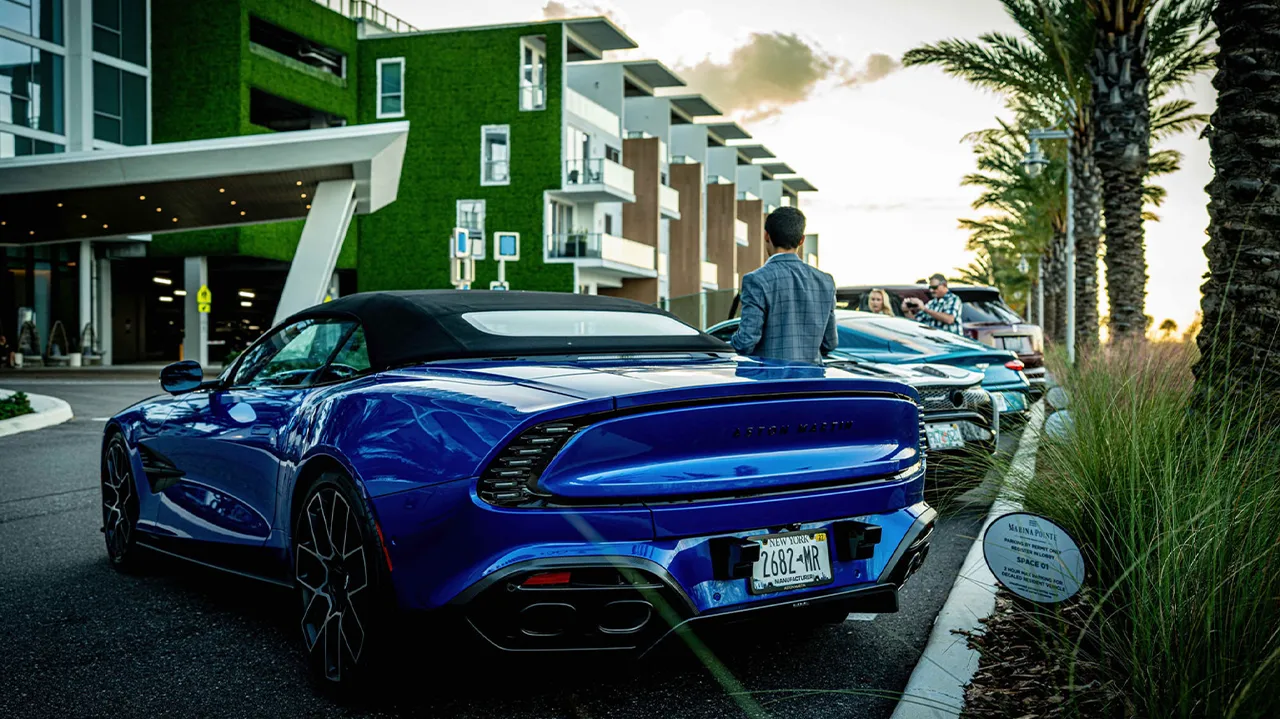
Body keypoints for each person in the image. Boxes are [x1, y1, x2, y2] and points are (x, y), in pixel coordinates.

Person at [729, 206, 837, 363]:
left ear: (767, 236)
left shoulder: (756, 280)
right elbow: (830, 343)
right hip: (814, 383)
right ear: (801, 240)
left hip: (772, 383)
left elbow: (746, 342)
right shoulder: (825, 282)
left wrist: (727, 344)